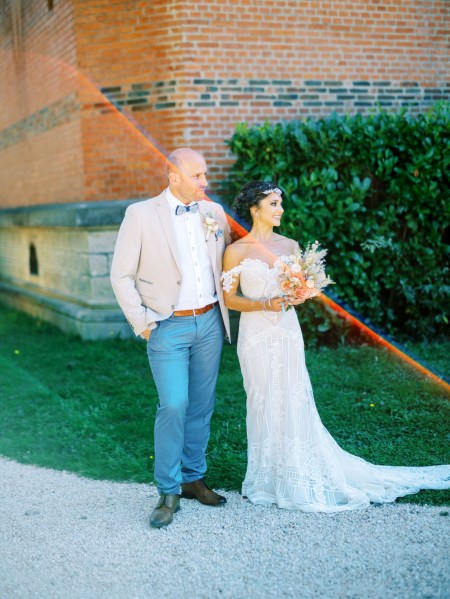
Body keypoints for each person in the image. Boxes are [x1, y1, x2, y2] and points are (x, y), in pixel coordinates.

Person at [221, 180, 450, 511]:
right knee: (261, 398)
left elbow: (300, 291)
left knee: (292, 396)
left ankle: (297, 474)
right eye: (274, 204)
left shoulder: (291, 246)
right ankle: (265, 476)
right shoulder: (236, 251)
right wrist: (263, 304)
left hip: (285, 332)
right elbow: (229, 299)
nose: (281, 209)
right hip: (255, 335)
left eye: (281, 203)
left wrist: (300, 293)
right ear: (254, 208)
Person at [111, 148, 231, 528]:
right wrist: (144, 323)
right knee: (174, 404)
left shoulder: (213, 214)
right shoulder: (141, 214)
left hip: (210, 321)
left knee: (201, 404)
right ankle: (167, 489)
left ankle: (194, 478)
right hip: (168, 326)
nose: (205, 183)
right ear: (173, 175)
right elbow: (121, 275)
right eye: (198, 176)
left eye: (205, 174)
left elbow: (228, 262)